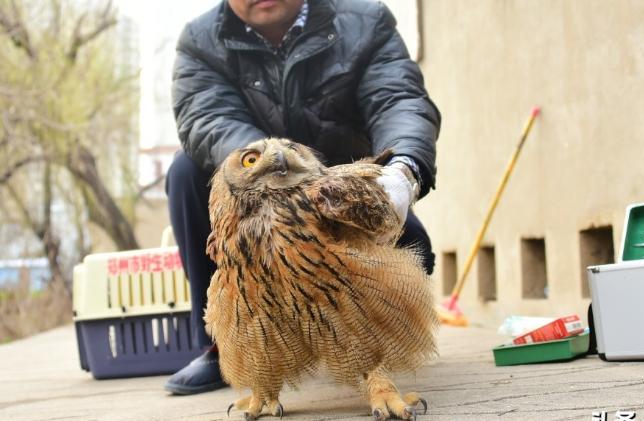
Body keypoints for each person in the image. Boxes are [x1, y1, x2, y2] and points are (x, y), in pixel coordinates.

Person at [164, 0, 440, 395]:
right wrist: (275, 170)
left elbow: (398, 99)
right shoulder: (200, 40)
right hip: (252, 198)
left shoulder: (365, 20)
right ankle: (224, 346)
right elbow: (207, 121)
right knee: (186, 171)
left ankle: (364, 348)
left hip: (346, 198)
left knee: (417, 251)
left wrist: (402, 170)